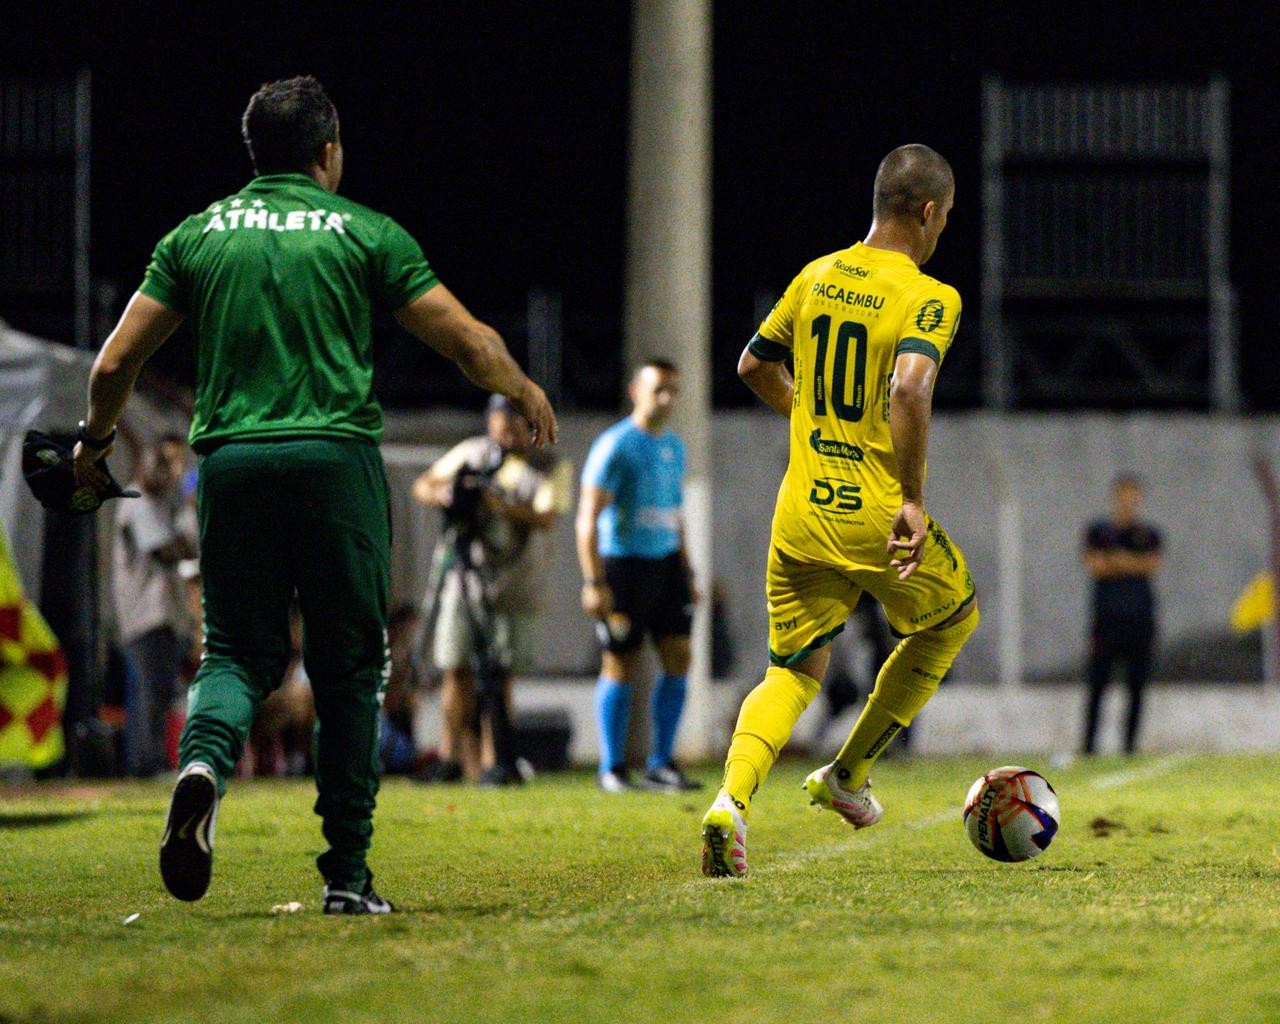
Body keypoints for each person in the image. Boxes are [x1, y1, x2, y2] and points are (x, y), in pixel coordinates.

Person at [72, 75, 557, 914]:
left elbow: (115, 361)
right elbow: (466, 340)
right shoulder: (363, 231)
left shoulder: (197, 235)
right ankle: (346, 876)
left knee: (235, 653)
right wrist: (521, 388)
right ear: (328, 151)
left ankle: (203, 764)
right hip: (336, 463)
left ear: (254, 153)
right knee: (348, 668)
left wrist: (94, 443)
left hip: (232, 465)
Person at [701, 144, 979, 877]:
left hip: (799, 511)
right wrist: (912, 500)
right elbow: (909, 388)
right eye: (946, 217)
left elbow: (753, 365)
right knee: (951, 620)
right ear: (929, 212)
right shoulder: (929, 295)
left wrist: (809, 418)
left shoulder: (816, 274)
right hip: (873, 511)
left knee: (791, 673)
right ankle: (849, 774)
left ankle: (730, 803)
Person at [412, 394, 572, 784]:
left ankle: (495, 759)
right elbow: (424, 485)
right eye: (501, 423)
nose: (507, 432)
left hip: (514, 583)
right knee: (456, 667)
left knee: (500, 675)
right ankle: (449, 757)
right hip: (464, 576)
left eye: (516, 423)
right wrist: (447, 494)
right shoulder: (473, 453)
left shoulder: (548, 464)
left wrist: (495, 503)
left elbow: (547, 516)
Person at [577, 359, 701, 793]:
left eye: (673, 390)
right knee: (620, 661)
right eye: (658, 389)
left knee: (679, 655)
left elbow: (675, 514)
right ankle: (612, 767)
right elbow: (587, 518)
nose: (666, 398)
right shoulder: (616, 445)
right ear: (636, 391)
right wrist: (594, 582)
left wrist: (688, 571)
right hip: (623, 566)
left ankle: (661, 764)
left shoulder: (675, 447)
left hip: (666, 566)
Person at [111, 435, 198, 776]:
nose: (171, 472)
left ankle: (148, 761)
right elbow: (165, 550)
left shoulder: (164, 504)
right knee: (150, 690)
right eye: (165, 463)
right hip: (145, 613)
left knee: (157, 690)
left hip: (164, 614)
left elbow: (190, 547)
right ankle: (147, 763)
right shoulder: (138, 500)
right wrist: (185, 523)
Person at [1081, 474, 1163, 755]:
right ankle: (1089, 747)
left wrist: (1118, 561)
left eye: (1133, 495)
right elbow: (1095, 566)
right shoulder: (1098, 531)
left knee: (1137, 686)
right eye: (1123, 495)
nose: (1128, 500)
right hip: (1106, 621)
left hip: (1139, 621)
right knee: (1097, 685)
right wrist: (1132, 563)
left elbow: (1151, 565)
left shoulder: (1149, 534)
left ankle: (1129, 746)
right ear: (1115, 496)